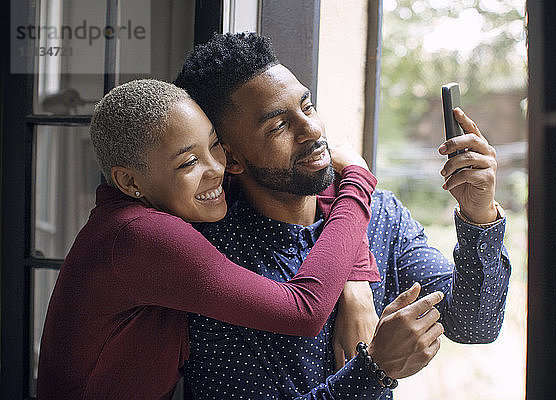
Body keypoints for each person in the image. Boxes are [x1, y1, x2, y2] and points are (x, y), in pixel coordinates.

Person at [36, 79, 441, 399]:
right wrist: (358, 180)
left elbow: (301, 183)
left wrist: (356, 280)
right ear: (130, 181)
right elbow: (304, 310)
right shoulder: (140, 235)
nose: (217, 169)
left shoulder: (176, 199)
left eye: (215, 145)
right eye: (189, 161)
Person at [174, 32, 512, 399]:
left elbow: (476, 324)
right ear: (231, 158)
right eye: (279, 126)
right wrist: (375, 370)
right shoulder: (211, 260)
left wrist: (479, 215)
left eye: (307, 106)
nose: (312, 130)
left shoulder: (380, 213)